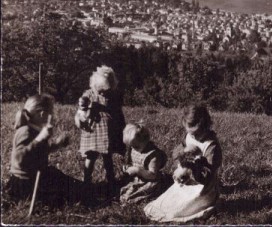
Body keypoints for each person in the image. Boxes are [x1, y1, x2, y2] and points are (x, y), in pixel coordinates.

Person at [144, 103, 222, 223]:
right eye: (191, 133)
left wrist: (189, 169)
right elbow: (175, 153)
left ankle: (206, 205)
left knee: (177, 211)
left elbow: (207, 176)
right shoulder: (189, 136)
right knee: (165, 204)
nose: (193, 136)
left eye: (196, 133)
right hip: (186, 180)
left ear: (206, 126)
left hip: (202, 187)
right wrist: (184, 151)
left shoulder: (211, 146)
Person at [6, 94, 79, 206]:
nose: (53, 115)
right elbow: (20, 158)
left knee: (63, 179)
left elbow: (38, 152)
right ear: (42, 114)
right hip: (25, 182)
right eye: (52, 112)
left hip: (37, 174)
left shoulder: (35, 130)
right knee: (65, 193)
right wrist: (41, 138)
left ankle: (87, 190)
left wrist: (58, 145)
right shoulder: (26, 131)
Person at [76, 65, 126, 195]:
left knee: (107, 156)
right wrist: (83, 110)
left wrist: (120, 126)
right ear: (93, 85)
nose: (103, 93)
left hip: (106, 131)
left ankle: (111, 180)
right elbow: (82, 107)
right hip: (92, 130)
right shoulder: (88, 94)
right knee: (90, 156)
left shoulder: (114, 95)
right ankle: (86, 181)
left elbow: (117, 111)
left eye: (106, 90)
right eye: (100, 90)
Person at [120, 122, 170, 204]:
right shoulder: (134, 149)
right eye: (131, 146)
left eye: (135, 146)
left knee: (130, 197)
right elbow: (132, 162)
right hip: (137, 179)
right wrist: (127, 167)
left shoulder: (153, 155)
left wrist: (137, 170)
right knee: (122, 190)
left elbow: (152, 175)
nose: (133, 149)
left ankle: (159, 190)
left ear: (145, 140)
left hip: (150, 181)